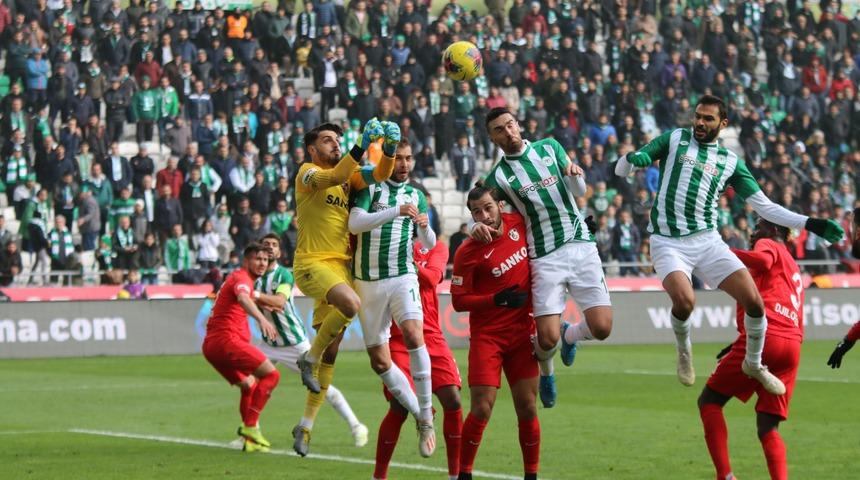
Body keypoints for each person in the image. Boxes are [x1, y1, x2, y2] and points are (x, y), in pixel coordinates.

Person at [617, 94, 844, 390]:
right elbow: (621, 170)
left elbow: (765, 207)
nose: (700, 122)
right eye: (697, 116)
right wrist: (631, 161)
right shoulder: (675, 139)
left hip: (708, 241)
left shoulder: (729, 161)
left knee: (754, 303)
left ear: (722, 124)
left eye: (708, 118)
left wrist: (811, 223)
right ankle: (684, 349)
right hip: (668, 242)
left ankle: (753, 362)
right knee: (685, 302)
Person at [474, 107, 613, 408]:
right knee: (545, 340)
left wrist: (576, 175)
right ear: (492, 137)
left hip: (580, 246)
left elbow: (579, 189)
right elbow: (479, 205)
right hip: (544, 257)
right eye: (499, 129)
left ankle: (572, 335)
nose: (508, 132)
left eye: (510, 124)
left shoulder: (550, 147)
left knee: (602, 328)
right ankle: (547, 372)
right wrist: (476, 225)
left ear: (519, 124)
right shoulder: (498, 176)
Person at [290, 119, 395, 455]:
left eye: (338, 140)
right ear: (311, 149)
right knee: (350, 305)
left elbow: (378, 175)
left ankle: (305, 427)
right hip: (311, 264)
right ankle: (310, 356)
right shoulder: (307, 173)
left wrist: (389, 151)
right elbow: (332, 176)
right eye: (326, 140)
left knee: (332, 356)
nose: (334, 144)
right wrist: (360, 145)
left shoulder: (350, 176)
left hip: (341, 268)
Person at [346, 139, 438, 459]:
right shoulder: (370, 187)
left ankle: (426, 416)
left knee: (414, 334)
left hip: (402, 275)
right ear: (388, 160)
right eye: (398, 158)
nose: (404, 164)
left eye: (408, 158)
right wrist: (395, 212)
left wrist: (424, 228)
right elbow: (354, 223)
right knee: (380, 362)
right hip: (367, 282)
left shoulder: (417, 195)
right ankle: (418, 413)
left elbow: (428, 242)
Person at [698, 219, 804, 480]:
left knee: (709, 401)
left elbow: (764, 261)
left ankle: (725, 476)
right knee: (768, 426)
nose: (754, 232)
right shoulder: (792, 264)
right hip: (792, 345)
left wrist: (725, 252)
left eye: (759, 226)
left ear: (776, 230)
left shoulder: (768, 244)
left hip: (767, 337)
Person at [451, 186, 540, 480]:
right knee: (481, 408)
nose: (485, 215)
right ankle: (463, 474)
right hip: (488, 337)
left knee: (527, 407)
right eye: (477, 211)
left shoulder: (519, 223)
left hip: (521, 332)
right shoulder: (467, 251)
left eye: (488, 207)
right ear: (471, 215)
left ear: (500, 205)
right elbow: (458, 300)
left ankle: (531, 475)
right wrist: (495, 299)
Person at [254, 233, 369, 453]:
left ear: (280, 252)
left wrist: (251, 295)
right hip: (268, 343)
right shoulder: (255, 279)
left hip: (293, 343)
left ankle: (356, 426)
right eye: (265, 244)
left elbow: (279, 301)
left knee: (321, 386)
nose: (269, 248)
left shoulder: (284, 275)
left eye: (274, 245)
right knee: (250, 382)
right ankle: (251, 430)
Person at [374, 234, 462, 480]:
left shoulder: (436, 248)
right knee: (399, 406)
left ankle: (455, 475)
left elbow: (433, 278)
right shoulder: (384, 247)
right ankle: (379, 476)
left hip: (431, 334)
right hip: (397, 336)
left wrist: (404, 261)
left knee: (452, 400)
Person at [201, 242, 280, 453]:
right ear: (247, 261)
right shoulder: (242, 278)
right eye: (258, 259)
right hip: (227, 342)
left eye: (265, 259)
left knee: (249, 385)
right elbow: (244, 297)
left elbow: (247, 297)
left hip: (212, 347)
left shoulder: (241, 279)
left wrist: (265, 305)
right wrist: (262, 319)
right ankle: (251, 427)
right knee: (272, 375)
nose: (262, 263)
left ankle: (250, 441)